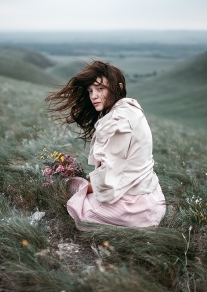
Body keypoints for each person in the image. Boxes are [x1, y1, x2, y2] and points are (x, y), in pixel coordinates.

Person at [45, 60, 165, 230]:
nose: (93, 96)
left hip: (134, 210)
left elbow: (109, 184)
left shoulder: (116, 121)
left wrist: (84, 189)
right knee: (79, 184)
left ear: (119, 87)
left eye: (100, 89)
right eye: (90, 91)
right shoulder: (132, 108)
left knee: (73, 201)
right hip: (153, 200)